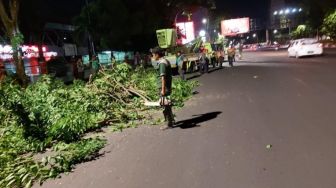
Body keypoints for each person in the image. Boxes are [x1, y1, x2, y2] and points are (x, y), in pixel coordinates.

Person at [151, 47, 174, 130]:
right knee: (167, 105)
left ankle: (169, 123)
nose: (152, 56)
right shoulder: (165, 60)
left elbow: (163, 78)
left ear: (157, 54)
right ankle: (171, 120)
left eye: (153, 55)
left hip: (164, 87)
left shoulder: (162, 63)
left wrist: (163, 90)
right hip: (166, 87)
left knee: (165, 106)